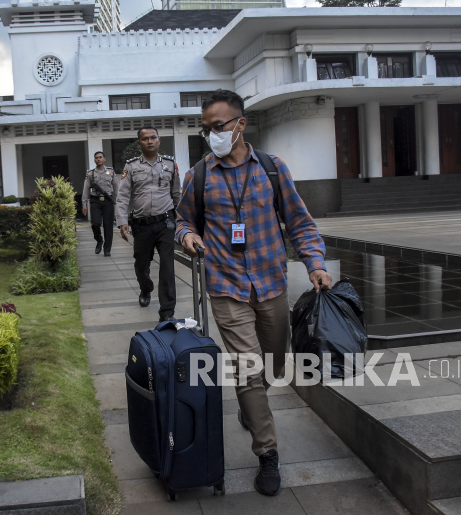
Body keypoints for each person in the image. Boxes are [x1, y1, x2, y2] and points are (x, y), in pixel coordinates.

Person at [175, 89, 331, 497]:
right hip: (226, 286)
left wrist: (315, 264)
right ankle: (268, 452)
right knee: (248, 368)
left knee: (274, 366)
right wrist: (189, 235)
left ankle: (252, 406)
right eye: (205, 129)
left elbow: (300, 223)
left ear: (241, 124)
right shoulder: (199, 175)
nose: (211, 135)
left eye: (219, 126)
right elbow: (182, 221)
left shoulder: (273, 169)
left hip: (271, 283)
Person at [116, 127, 182, 322]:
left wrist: (184, 221)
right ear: (139, 143)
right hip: (142, 225)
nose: (150, 141)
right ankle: (146, 289)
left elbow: (177, 194)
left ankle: (167, 312)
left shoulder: (170, 164)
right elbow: (122, 197)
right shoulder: (131, 166)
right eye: (145, 139)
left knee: (167, 267)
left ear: (159, 141)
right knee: (141, 264)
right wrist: (122, 222)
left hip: (166, 222)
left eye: (153, 138)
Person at [82, 151, 119, 256]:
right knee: (95, 224)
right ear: (94, 160)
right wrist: (84, 204)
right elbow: (85, 190)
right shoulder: (91, 173)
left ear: (104, 159)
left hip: (108, 201)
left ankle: (107, 250)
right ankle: (99, 240)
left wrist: (119, 202)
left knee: (108, 226)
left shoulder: (111, 172)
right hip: (95, 201)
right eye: (96, 158)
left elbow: (116, 188)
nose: (98, 159)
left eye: (100, 157)